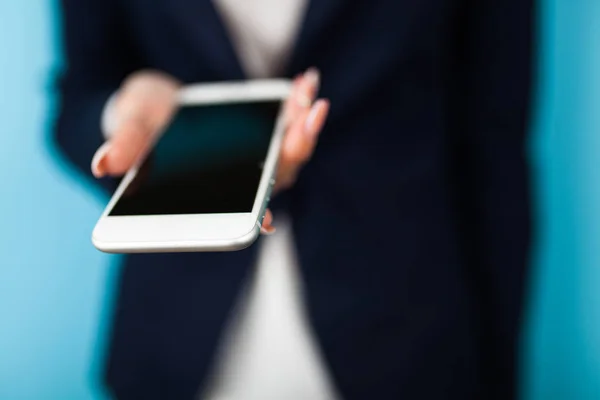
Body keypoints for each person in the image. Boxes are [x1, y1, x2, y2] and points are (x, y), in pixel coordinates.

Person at [54, 0, 536, 399]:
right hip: (178, 335)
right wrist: (121, 118)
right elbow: (79, 93)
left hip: (404, 324)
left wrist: (498, 370)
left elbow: (492, 146)